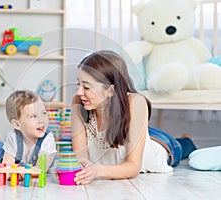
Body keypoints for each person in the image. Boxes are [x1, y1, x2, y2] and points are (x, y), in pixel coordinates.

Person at [71, 50, 197, 185]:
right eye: (79, 84)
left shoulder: (136, 103)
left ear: (110, 90)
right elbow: (80, 159)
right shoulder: (79, 102)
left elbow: (133, 168)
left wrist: (98, 171)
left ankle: (187, 139)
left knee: (182, 146)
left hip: (160, 145)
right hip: (128, 133)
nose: (79, 92)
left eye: (87, 87)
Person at [0, 90, 57, 175]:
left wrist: (21, 173)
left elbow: (40, 170)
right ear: (17, 124)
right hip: (15, 160)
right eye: (33, 116)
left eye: (43, 113)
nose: (41, 120)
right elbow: (7, 170)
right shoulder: (13, 136)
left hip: (30, 165)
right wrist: (12, 172)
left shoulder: (48, 139)